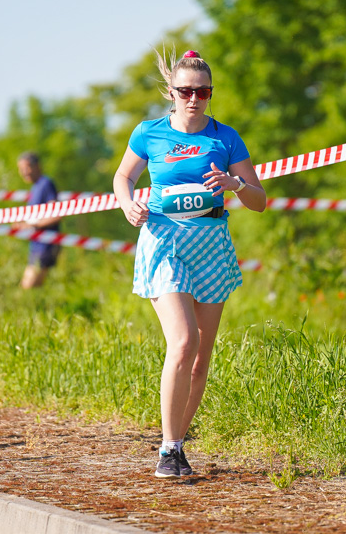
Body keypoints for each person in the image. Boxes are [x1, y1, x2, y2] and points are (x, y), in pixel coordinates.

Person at [113, 49, 266, 478]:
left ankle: (177, 446)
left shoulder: (225, 137)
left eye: (202, 91)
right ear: (172, 92)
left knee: (200, 357)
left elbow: (259, 201)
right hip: (164, 242)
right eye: (185, 91)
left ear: (210, 93)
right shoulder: (149, 133)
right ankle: (165, 448)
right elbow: (122, 176)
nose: (194, 98)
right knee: (183, 341)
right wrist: (127, 204)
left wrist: (235, 184)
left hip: (211, 245)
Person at [12, 151, 62, 289]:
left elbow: (56, 214)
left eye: (26, 168)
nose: (23, 172)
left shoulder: (46, 184)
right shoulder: (36, 187)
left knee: (29, 286)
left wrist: (31, 225)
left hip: (46, 245)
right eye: (20, 169)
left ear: (37, 166)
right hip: (36, 245)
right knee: (34, 287)